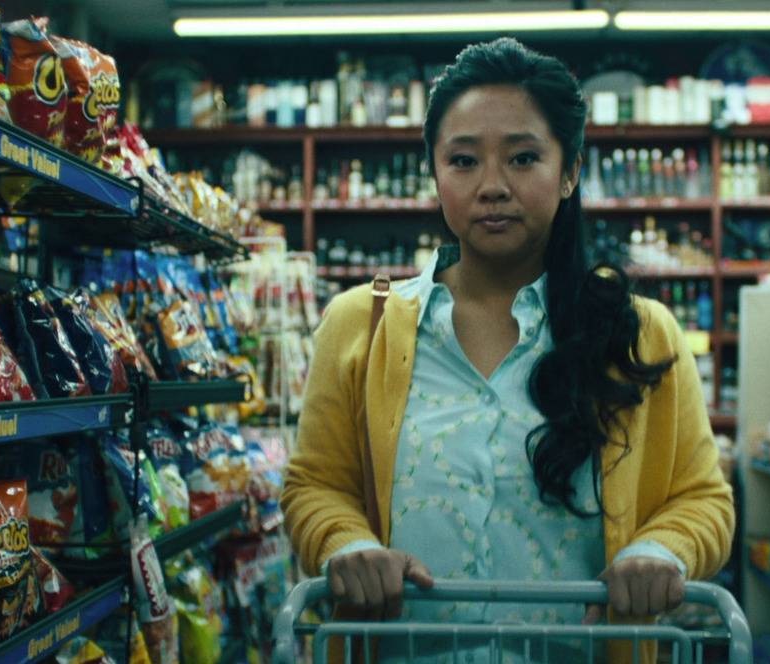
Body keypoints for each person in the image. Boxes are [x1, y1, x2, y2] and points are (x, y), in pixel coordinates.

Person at [283, 38, 735, 663]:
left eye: (523, 158)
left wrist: (658, 551)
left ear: (570, 170)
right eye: (463, 161)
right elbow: (314, 485)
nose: (492, 186)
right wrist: (344, 543)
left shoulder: (639, 333)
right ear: (435, 173)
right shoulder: (361, 325)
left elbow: (703, 498)